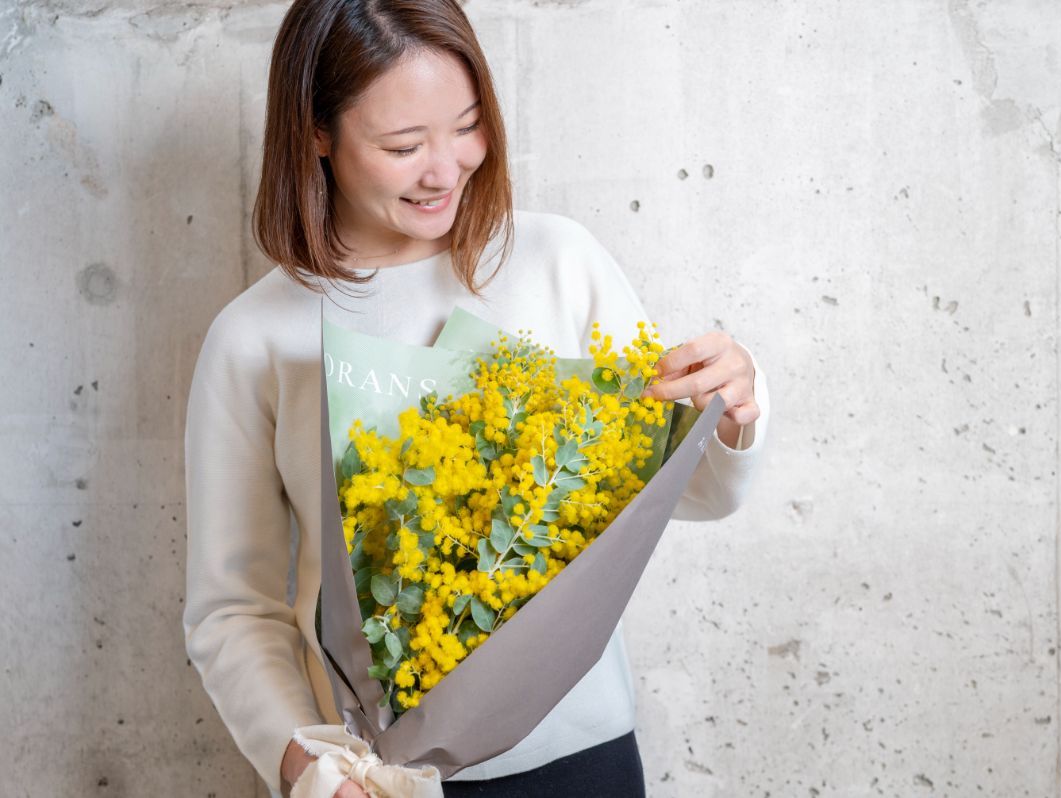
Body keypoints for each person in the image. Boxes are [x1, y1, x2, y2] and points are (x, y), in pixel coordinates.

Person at [181, 0, 770, 796]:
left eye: (466, 127)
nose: (445, 170)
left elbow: (689, 493)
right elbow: (233, 610)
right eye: (403, 146)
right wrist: (313, 771)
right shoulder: (254, 336)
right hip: (382, 783)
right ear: (316, 133)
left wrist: (731, 410)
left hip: (585, 764)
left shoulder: (559, 262)